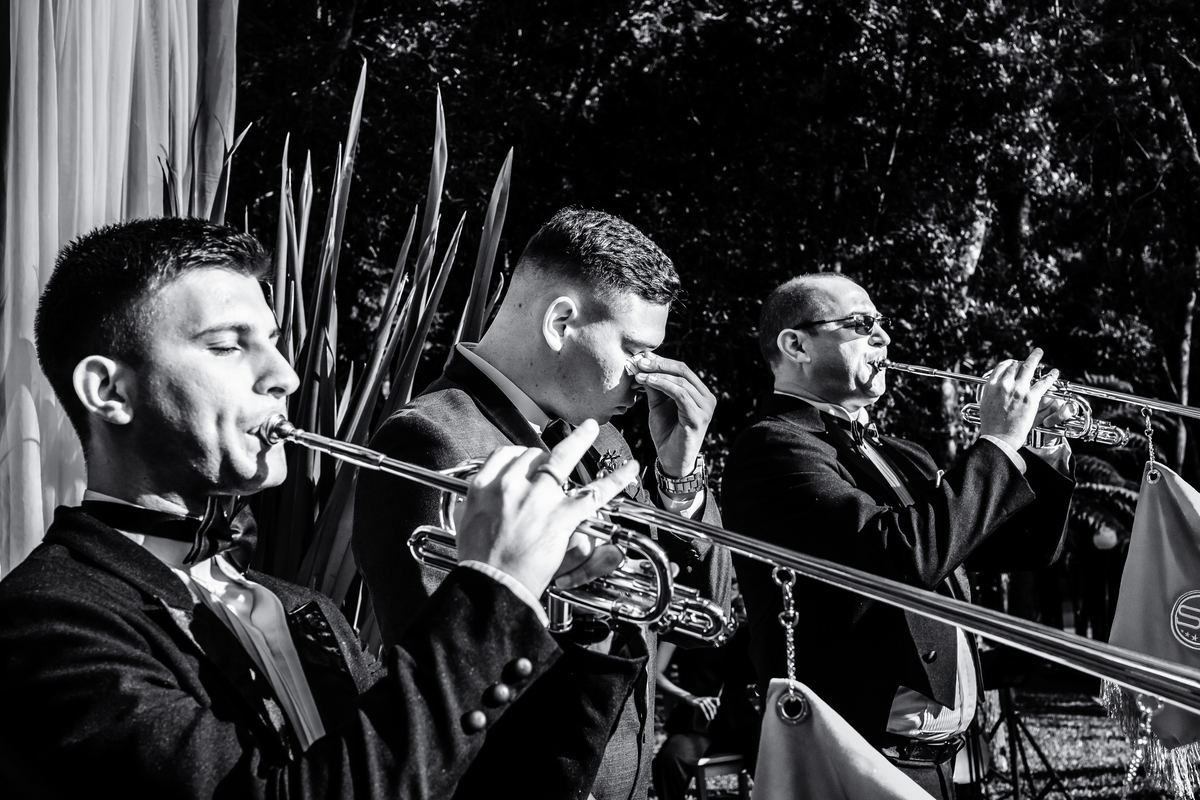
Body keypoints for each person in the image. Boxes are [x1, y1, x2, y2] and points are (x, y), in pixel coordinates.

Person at [0, 216, 642, 799]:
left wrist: (576, 619)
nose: (284, 374)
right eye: (227, 345)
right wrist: (490, 594)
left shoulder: (306, 610)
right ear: (107, 390)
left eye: (274, 342)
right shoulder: (46, 621)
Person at [353, 207, 733, 800]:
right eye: (636, 351)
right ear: (560, 321)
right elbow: (459, 675)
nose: (648, 378)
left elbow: (710, 612)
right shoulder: (432, 437)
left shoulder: (599, 435)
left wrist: (680, 473)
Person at [721, 273, 1076, 800]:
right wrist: (999, 442)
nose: (885, 337)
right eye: (862, 324)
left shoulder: (906, 454)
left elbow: (1017, 547)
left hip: (945, 764)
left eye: (882, 324)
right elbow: (898, 557)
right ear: (795, 344)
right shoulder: (773, 448)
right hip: (857, 758)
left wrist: (1040, 453)